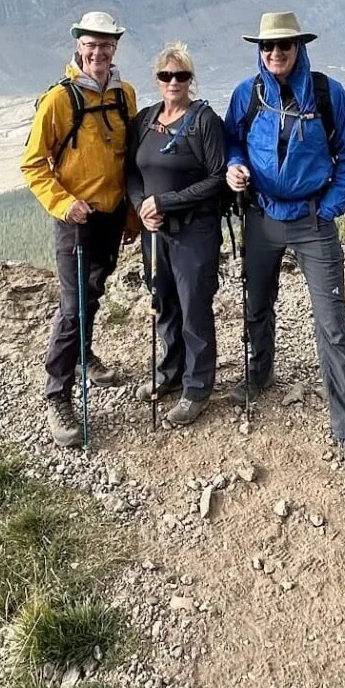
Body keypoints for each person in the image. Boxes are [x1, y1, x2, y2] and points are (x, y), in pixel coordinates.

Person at [223, 11, 345, 480]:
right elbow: (232, 141)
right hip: (261, 216)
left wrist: (330, 207)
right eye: (267, 46)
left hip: (313, 221)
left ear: (298, 48)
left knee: (333, 327)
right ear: (260, 50)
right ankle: (259, 372)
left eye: (283, 46)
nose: (275, 53)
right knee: (257, 304)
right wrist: (234, 168)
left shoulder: (327, 94)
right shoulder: (247, 94)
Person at [20, 10, 136, 446]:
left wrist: (130, 215)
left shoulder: (125, 94)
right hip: (75, 221)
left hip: (111, 216)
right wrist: (65, 204)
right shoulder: (58, 100)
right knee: (74, 307)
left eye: (106, 44)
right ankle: (57, 394)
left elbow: (129, 158)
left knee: (94, 292)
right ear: (78, 46)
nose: (98, 52)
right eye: (91, 44)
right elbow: (33, 164)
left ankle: (83, 356)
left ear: (115, 48)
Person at [126, 42, 227, 427]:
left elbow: (217, 179)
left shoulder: (204, 121)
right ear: (157, 79)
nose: (173, 81)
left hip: (194, 232)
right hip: (154, 231)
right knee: (163, 302)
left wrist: (165, 202)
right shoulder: (146, 120)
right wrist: (141, 206)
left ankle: (197, 387)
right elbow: (132, 172)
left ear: (190, 79)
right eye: (166, 75)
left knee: (193, 307)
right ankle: (170, 372)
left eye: (181, 75)